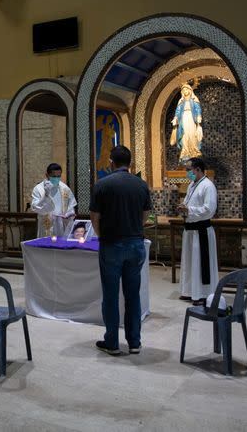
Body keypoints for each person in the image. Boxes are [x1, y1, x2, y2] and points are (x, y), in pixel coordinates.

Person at [89, 146, 151, 356]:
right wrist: (135, 230)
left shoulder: (102, 184)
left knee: (111, 294)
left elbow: (94, 217)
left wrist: (100, 235)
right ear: (130, 163)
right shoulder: (141, 185)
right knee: (132, 294)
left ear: (110, 162)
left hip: (111, 244)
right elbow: (146, 215)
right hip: (135, 244)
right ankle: (134, 342)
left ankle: (112, 342)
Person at [176, 157, 218, 306]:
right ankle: (189, 291)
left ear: (198, 169)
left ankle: (203, 294)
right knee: (190, 262)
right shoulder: (192, 185)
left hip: (201, 232)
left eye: (189, 170)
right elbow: (188, 203)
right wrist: (183, 208)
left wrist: (189, 210)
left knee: (201, 263)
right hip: (190, 232)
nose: (187, 173)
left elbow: (209, 210)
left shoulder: (208, 186)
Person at [30, 163, 77, 238]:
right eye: (54, 176)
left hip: (61, 226)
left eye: (59, 176)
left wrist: (69, 214)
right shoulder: (38, 189)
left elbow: (70, 207)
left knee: (61, 247)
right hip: (46, 226)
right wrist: (46, 195)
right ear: (47, 175)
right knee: (46, 247)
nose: (56, 179)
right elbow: (36, 208)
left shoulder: (65, 189)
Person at [170, 82, 203, 164]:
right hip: (183, 119)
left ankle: (194, 151)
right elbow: (177, 112)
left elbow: (198, 109)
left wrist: (199, 116)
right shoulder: (181, 101)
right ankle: (185, 152)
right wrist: (175, 118)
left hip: (191, 118)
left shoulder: (194, 99)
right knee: (184, 135)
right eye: (183, 90)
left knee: (192, 134)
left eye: (186, 89)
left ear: (190, 90)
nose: (185, 91)